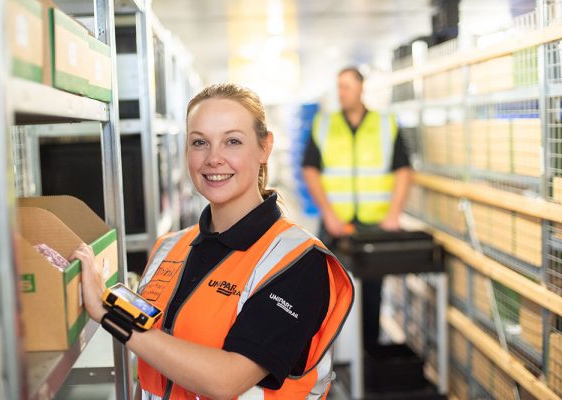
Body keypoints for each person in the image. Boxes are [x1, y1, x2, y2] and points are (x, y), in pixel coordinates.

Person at [73, 83, 353, 400]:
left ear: (264, 147)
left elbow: (227, 380)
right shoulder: (169, 247)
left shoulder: (297, 262)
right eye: (200, 143)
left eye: (232, 141)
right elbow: (154, 366)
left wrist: (109, 315)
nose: (214, 158)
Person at [301, 67, 413, 351]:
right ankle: (326, 352)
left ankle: (369, 352)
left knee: (372, 292)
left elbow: (403, 171)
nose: (341, 93)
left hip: (373, 224)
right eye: (338, 87)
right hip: (333, 222)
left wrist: (393, 215)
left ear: (361, 88)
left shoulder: (386, 123)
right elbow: (310, 170)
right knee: (324, 288)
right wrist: (327, 213)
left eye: (347, 87)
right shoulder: (324, 124)